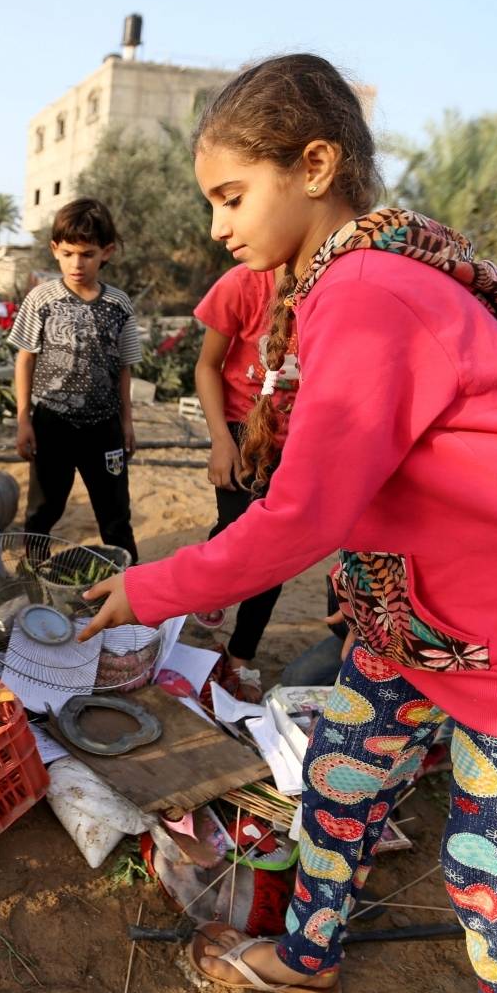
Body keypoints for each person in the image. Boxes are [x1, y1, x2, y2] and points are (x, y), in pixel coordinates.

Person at [79, 55, 497, 993]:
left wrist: (151, 589)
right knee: (343, 762)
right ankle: (308, 957)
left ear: (313, 166)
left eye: (230, 196)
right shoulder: (346, 286)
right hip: (435, 610)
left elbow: (304, 517)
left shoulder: (362, 295)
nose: (217, 225)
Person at [9, 197, 142, 562]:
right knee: (42, 511)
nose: (76, 263)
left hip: (104, 427)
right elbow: (25, 360)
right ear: (55, 250)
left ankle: (131, 584)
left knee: (115, 515)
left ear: (107, 252)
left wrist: (127, 423)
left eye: (86, 254)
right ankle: (34, 573)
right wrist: (24, 420)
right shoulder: (42, 300)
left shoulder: (119, 305)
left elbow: (125, 366)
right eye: (68, 253)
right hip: (52, 422)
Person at [191, 264, 289, 696]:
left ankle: (241, 657)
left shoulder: (335, 290)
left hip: (300, 439)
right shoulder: (242, 285)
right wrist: (220, 442)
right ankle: (210, 584)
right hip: (240, 430)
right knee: (234, 530)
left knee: (275, 551)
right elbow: (207, 366)